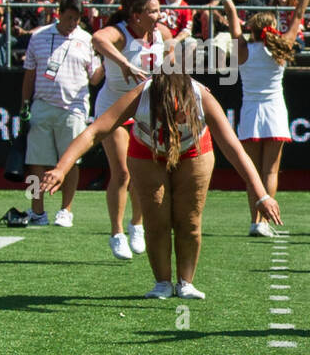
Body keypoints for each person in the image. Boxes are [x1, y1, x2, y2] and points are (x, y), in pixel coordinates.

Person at [41, 70, 283, 299]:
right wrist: (62, 168)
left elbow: (234, 150)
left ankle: (186, 283)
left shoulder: (202, 98)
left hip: (194, 152)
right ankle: (162, 283)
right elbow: (95, 131)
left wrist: (262, 196)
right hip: (147, 151)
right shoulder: (141, 95)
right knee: (156, 218)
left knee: (189, 220)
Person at [217, 0, 310, 237]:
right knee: (270, 171)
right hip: (274, 112)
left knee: (253, 172)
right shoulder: (281, 48)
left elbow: (232, 16)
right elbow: (299, 15)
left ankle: (255, 221)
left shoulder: (243, 49)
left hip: (250, 112)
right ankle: (264, 223)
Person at [91, 0, 174, 260]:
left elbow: (171, 54)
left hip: (146, 108)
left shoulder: (161, 32)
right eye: (152, 11)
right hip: (114, 108)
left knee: (144, 172)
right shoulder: (121, 32)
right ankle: (116, 233)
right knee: (123, 171)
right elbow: (97, 38)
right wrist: (124, 62)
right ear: (136, 15)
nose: (158, 15)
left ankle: (136, 224)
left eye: (158, 9)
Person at [21, 0, 103, 227]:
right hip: (42, 105)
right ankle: (37, 211)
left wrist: (108, 61)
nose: (72, 24)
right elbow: (29, 73)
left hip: (74, 108)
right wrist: (25, 104)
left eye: (76, 20)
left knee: (72, 161)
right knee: (35, 161)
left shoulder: (87, 40)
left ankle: (66, 210)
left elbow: (95, 79)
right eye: (69, 18)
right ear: (58, 14)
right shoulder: (38, 37)